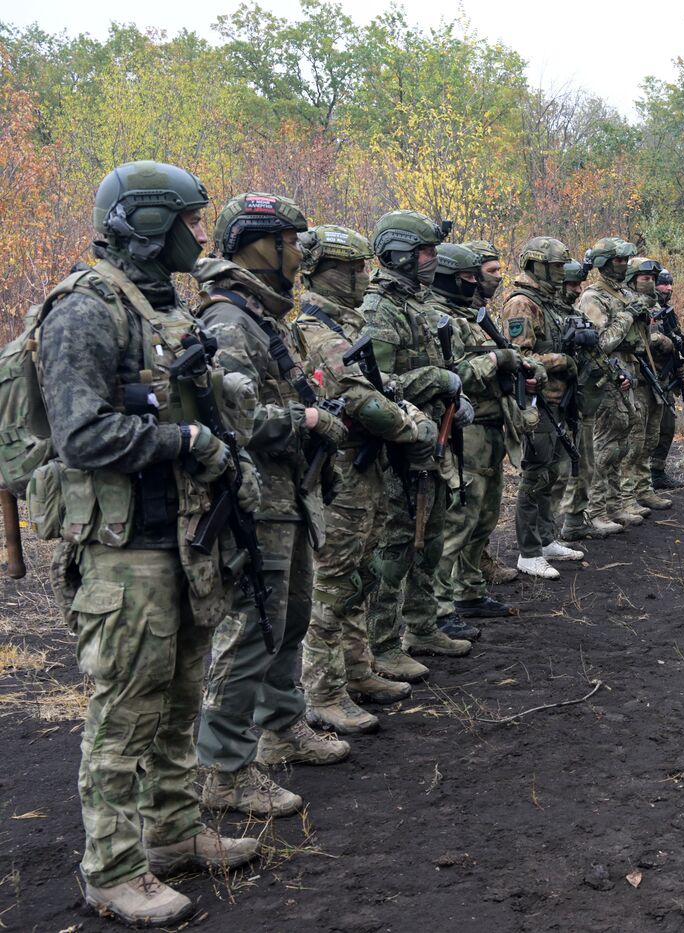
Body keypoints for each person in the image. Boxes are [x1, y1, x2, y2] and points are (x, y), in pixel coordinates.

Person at [37, 160, 259, 925]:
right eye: (190, 220)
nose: (201, 234)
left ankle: (172, 830)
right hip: (122, 547)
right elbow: (80, 434)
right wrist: (185, 439)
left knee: (180, 694)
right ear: (150, 222)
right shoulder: (85, 307)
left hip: (182, 537)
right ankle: (112, 867)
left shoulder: (164, 305)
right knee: (127, 709)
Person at [195, 193, 353, 820]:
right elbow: (228, 419)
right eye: (292, 241)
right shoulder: (228, 321)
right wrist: (305, 418)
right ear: (262, 244)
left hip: (289, 495)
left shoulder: (263, 316)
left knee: (290, 619)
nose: (300, 253)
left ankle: (282, 729)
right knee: (251, 632)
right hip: (255, 501)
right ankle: (224, 772)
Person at [293, 224, 434, 733]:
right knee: (332, 585)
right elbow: (360, 400)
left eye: (361, 266)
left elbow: (381, 384)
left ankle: (357, 669)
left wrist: (404, 409)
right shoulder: (318, 332)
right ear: (319, 272)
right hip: (341, 472)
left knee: (358, 575)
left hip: (365, 469)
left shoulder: (347, 325)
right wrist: (410, 426)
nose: (360, 276)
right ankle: (323, 692)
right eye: (348, 268)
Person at [361, 211, 475, 683]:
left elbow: (446, 365)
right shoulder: (378, 308)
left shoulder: (419, 303)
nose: (432, 260)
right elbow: (375, 383)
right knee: (397, 544)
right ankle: (382, 644)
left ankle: (423, 627)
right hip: (399, 445)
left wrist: (456, 395)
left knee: (430, 538)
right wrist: (437, 379)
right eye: (425, 252)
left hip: (434, 439)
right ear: (399, 254)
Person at [428, 242, 542, 631]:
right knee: (459, 520)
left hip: (493, 424)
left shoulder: (471, 314)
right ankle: (439, 608)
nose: (475, 283)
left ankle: (469, 590)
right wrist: (496, 360)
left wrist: (521, 368)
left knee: (484, 517)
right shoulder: (437, 317)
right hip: (465, 430)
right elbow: (451, 375)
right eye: (467, 277)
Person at [503, 236, 586, 578]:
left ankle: (546, 539)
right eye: (555, 266)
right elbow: (519, 357)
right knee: (535, 477)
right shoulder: (523, 304)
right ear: (537, 265)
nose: (561, 272)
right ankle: (528, 552)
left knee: (554, 473)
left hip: (557, 400)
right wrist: (561, 360)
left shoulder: (548, 302)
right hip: (538, 403)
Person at [460, 240, 521, 587]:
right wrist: (498, 360)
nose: (498, 277)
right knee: (467, 510)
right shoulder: (454, 314)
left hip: (493, 419)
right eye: (491, 270)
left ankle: (475, 571)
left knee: (487, 509)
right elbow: (458, 372)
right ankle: (462, 583)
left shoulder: (480, 314)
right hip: (470, 424)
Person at [576, 237, 648, 527]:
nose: (623, 265)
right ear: (603, 263)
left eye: (625, 260)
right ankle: (595, 512)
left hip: (627, 371)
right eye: (618, 260)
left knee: (621, 444)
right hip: (606, 375)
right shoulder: (593, 297)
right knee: (604, 446)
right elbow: (601, 343)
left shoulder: (623, 293)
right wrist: (628, 316)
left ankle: (614, 505)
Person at [558, 259, 622, 541]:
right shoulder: (535, 309)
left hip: (580, 396)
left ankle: (574, 522)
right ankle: (546, 536)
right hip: (556, 400)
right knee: (557, 469)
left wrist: (614, 373)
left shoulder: (571, 313)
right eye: (571, 284)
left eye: (578, 284)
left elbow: (595, 350)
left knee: (584, 462)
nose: (577, 290)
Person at [620, 256, 675, 513]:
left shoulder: (652, 306)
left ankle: (644, 489)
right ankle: (626, 495)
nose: (652, 283)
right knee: (635, 440)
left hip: (653, 379)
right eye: (646, 278)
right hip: (635, 379)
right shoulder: (625, 304)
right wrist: (658, 340)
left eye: (654, 278)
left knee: (650, 438)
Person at [650, 267, 684, 491]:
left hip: (665, 377)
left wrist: (682, 364)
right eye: (664, 283)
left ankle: (657, 472)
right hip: (648, 377)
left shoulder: (667, 312)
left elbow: (679, 341)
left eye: (670, 283)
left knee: (667, 426)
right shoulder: (646, 308)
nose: (668, 288)